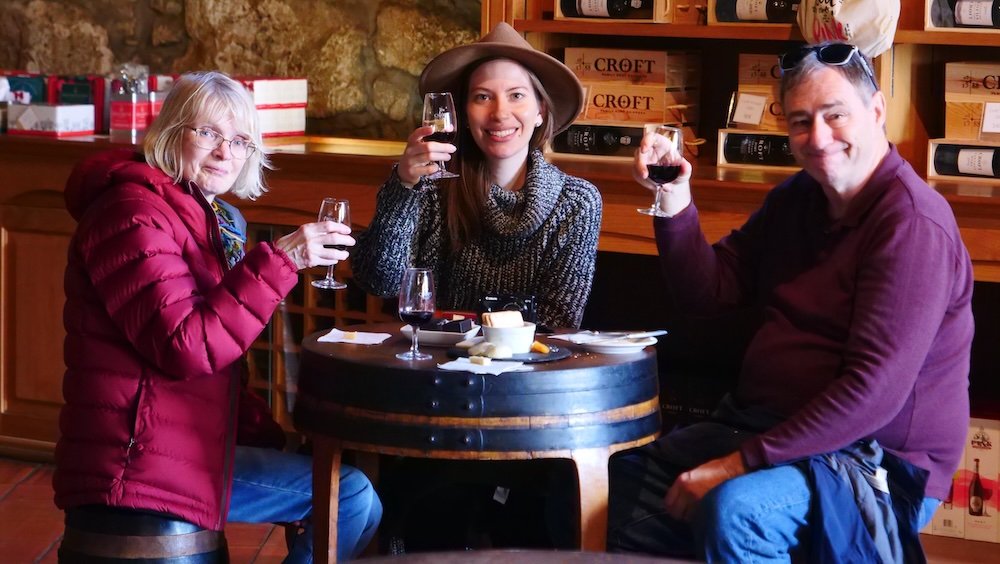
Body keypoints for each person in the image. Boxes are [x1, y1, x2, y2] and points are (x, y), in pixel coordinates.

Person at [606, 42, 974, 562]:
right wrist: (672, 198)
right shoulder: (797, 198)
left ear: (875, 112)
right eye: (801, 122)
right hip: (773, 428)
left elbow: (873, 394)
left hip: (878, 459)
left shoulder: (912, 224)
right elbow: (706, 295)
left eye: (834, 115)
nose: (818, 138)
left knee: (738, 511)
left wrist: (737, 463)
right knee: (625, 476)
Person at [54, 71, 381, 562]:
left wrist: (267, 440)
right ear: (169, 132)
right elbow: (187, 346)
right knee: (349, 496)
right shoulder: (132, 213)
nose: (226, 151)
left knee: (350, 493)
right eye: (207, 133)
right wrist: (283, 260)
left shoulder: (206, 216)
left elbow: (222, 368)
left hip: (176, 447)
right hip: (134, 463)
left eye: (241, 140)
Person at [351, 22, 602, 330]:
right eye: (483, 97)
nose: (499, 113)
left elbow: (558, 325)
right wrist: (402, 186)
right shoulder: (432, 188)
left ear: (541, 112)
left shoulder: (576, 202)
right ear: (464, 116)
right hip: (436, 367)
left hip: (527, 373)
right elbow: (380, 282)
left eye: (516, 95)